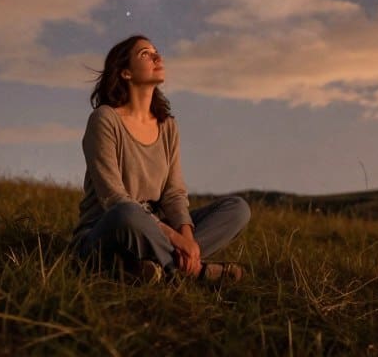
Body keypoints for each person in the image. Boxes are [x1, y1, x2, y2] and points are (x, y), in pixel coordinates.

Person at [72, 35, 250, 282]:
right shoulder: (104, 119)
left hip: (158, 229)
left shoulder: (167, 125)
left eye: (156, 51)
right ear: (125, 72)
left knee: (238, 209)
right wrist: (174, 239)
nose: (157, 57)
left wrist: (187, 238)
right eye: (145, 53)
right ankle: (196, 273)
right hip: (110, 229)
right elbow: (113, 199)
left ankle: (150, 268)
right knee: (128, 212)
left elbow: (174, 194)